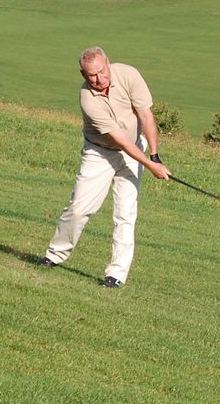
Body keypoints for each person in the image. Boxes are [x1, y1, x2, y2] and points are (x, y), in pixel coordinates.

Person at [38, 46, 172, 287]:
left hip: (135, 149)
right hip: (99, 152)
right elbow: (118, 139)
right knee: (79, 207)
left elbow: (146, 116)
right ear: (83, 74)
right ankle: (55, 255)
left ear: (108, 63)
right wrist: (151, 166)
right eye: (92, 75)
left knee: (125, 214)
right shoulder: (87, 99)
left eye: (101, 71)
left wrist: (155, 154)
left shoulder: (128, 74)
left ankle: (116, 275)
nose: (99, 79)